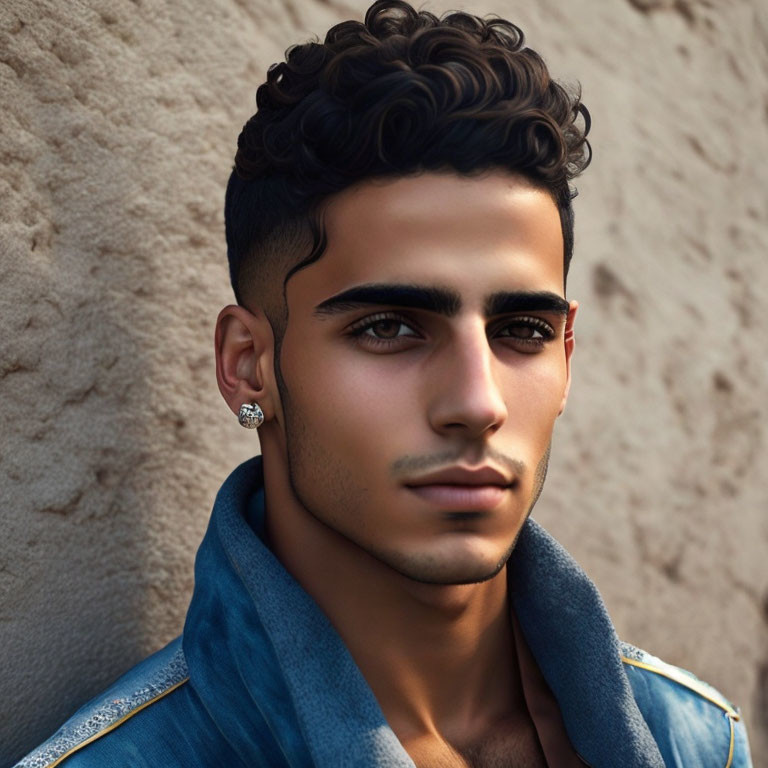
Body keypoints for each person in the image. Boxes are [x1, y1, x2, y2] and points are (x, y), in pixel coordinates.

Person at [16, 1, 752, 766]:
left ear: (567, 352)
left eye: (521, 332)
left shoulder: (698, 740)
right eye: (389, 328)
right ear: (247, 364)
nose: (478, 403)